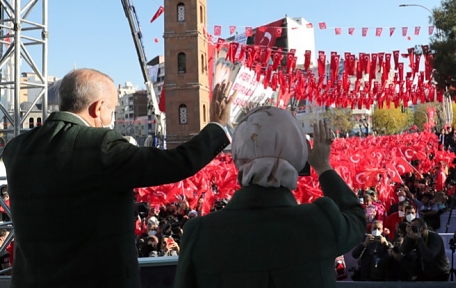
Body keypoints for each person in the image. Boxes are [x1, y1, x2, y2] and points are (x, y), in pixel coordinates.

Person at [2, 68, 235, 288]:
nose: (111, 117)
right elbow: (177, 163)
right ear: (98, 108)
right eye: (112, 109)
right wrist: (217, 125)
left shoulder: (17, 149)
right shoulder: (101, 146)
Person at [173, 108, 366, 287]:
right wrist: (323, 166)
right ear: (298, 154)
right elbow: (356, 218)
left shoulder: (199, 233)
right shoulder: (321, 221)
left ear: (239, 156)